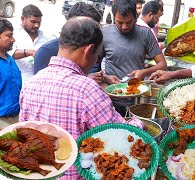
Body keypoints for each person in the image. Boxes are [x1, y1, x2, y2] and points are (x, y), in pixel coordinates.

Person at [20, 16, 141, 179]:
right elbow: (120, 136)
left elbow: (23, 135)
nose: (96, 60)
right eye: (97, 55)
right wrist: (139, 123)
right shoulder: (87, 90)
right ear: (89, 50)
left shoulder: (30, 84)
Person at [102, 0, 166, 115]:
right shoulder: (105, 33)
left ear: (136, 17)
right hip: (110, 99)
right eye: (119, 22)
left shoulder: (145, 33)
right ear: (113, 17)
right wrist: (106, 77)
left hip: (136, 99)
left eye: (129, 22)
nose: (124, 27)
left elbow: (162, 64)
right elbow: (93, 68)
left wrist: (144, 72)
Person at [33, 2, 119, 84]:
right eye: (88, 29)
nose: (94, 34)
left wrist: (104, 78)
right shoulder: (46, 52)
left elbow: (94, 74)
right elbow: (45, 89)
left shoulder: (94, 46)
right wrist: (85, 81)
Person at [8, 4, 52, 84]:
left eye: (39, 22)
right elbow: (9, 53)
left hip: (39, 83)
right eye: (33, 22)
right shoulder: (14, 35)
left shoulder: (45, 38)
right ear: (23, 19)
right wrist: (28, 52)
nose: (37, 25)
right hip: (18, 82)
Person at [0, 18, 22, 129]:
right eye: (9, 36)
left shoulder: (9, 59)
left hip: (17, 117)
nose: (13, 39)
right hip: (2, 121)